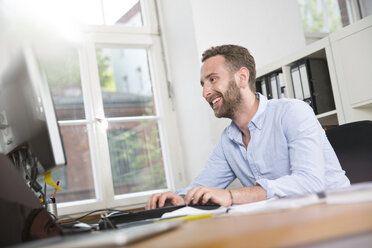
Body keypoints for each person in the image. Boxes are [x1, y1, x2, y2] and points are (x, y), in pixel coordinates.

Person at [146, 44, 350, 210]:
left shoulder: (293, 112)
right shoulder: (228, 140)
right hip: (287, 223)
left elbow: (310, 183)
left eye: (212, 80)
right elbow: (203, 187)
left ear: (242, 77)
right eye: (203, 84)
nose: (205, 92)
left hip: (337, 216)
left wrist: (231, 196)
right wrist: (180, 198)